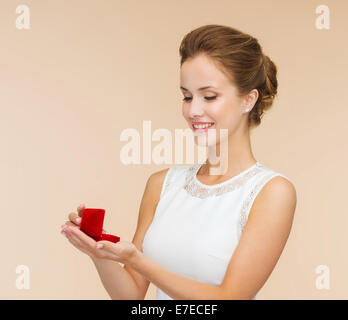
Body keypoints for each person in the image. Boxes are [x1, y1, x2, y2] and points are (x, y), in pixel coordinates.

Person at [61, 24, 297, 300]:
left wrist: (138, 260)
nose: (193, 110)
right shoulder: (162, 184)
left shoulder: (272, 192)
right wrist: (99, 252)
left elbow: (230, 298)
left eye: (209, 96)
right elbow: (130, 296)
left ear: (248, 99)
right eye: (187, 96)